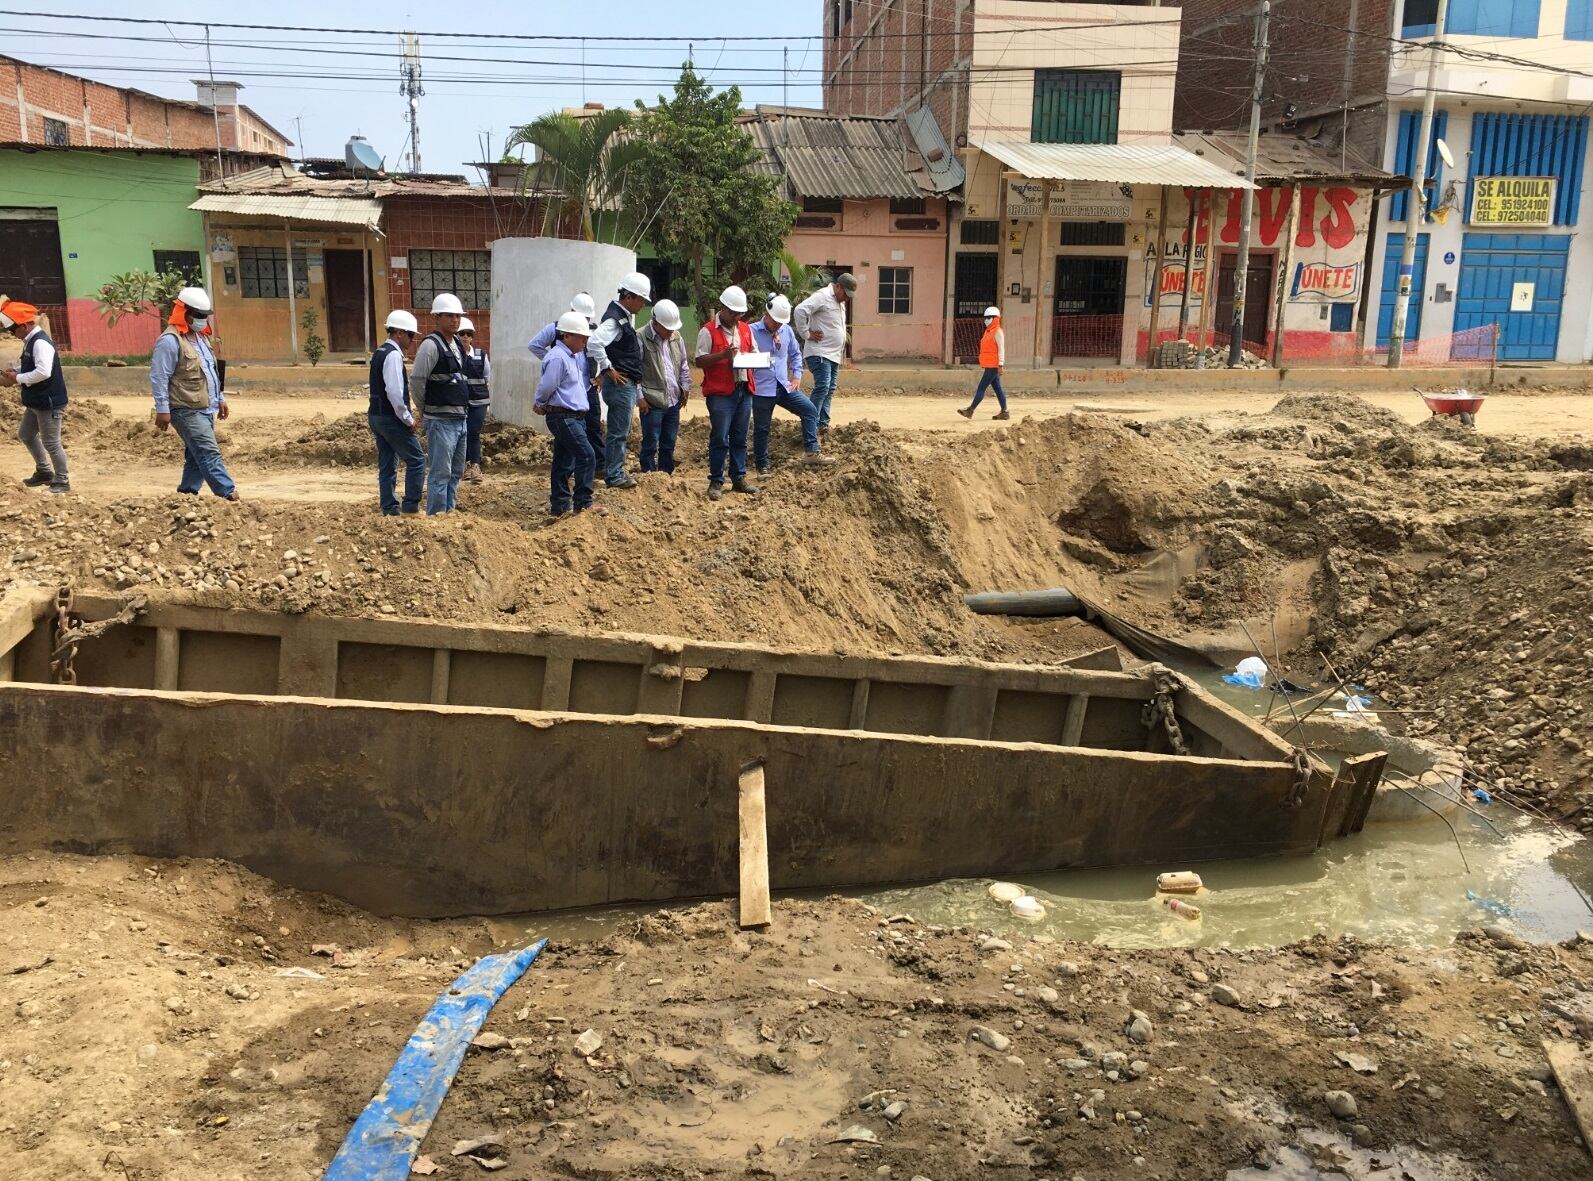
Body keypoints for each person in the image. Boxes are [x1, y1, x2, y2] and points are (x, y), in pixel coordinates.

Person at [150, 286, 236, 501]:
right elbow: (159, 377)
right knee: (208, 451)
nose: (202, 320)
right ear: (184, 312)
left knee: (196, 454)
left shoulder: (201, 339)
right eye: (197, 316)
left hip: (205, 406)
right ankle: (227, 493)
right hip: (185, 408)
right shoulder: (169, 341)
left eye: (204, 316)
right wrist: (162, 409)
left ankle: (186, 494)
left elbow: (210, 372)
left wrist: (220, 399)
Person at [748, 294, 831, 475]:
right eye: (775, 321)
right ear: (766, 314)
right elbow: (741, 358)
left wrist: (797, 376)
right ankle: (762, 466)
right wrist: (760, 361)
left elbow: (795, 354)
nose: (778, 325)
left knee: (809, 410)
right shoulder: (750, 331)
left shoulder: (786, 331)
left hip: (783, 385)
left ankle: (811, 451)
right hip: (761, 388)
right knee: (762, 428)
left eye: (781, 322)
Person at [587, 272, 651, 490]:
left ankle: (615, 471)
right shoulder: (615, 320)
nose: (643, 305)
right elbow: (594, 343)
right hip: (620, 385)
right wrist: (608, 369)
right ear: (629, 296)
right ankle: (614, 475)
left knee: (620, 431)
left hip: (624, 384)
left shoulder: (620, 317)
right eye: (642, 300)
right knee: (618, 432)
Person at [695, 284, 758, 501]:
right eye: (733, 312)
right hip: (720, 393)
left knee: (740, 437)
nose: (736, 317)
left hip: (743, 389)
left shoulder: (746, 330)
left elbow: (755, 353)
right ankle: (716, 480)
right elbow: (700, 360)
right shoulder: (708, 331)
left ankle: (738, 477)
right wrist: (723, 355)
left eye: (739, 313)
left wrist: (757, 360)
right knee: (720, 437)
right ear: (723, 308)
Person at [410, 293, 471, 515]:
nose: (455, 320)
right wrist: (424, 408)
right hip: (441, 420)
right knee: (440, 473)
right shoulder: (430, 345)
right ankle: (437, 516)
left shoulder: (456, 343)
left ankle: (449, 514)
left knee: (455, 472)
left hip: (460, 418)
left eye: (457, 316)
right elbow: (417, 381)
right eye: (449, 316)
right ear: (437, 317)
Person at [534, 311, 600, 517]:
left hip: (574, 416)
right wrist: (540, 402)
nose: (585, 341)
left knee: (564, 462)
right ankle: (583, 503)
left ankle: (560, 507)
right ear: (567, 336)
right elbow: (547, 386)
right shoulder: (557, 357)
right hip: (563, 416)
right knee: (587, 455)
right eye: (581, 337)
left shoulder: (574, 357)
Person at [0, 300, 69, 494]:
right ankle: (45, 472)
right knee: (26, 435)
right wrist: (16, 371)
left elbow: (44, 372)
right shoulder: (31, 341)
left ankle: (62, 480)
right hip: (37, 400)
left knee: (51, 443)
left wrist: (18, 378)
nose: (12, 334)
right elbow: (33, 366)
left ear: (23, 326)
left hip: (48, 402)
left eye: (13, 330)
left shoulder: (40, 342)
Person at [530, 293, 602, 462]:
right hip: (566, 394)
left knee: (593, 429)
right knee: (578, 447)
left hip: (586, 388)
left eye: (587, 318)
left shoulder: (593, 330)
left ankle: (597, 467)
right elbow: (534, 345)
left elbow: (603, 351)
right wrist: (555, 361)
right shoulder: (556, 331)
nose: (584, 322)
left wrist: (602, 375)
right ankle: (585, 469)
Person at [368, 309, 423, 516]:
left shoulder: (380, 352)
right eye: (410, 335)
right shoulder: (392, 356)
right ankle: (410, 507)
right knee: (417, 459)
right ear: (399, 333)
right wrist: (408, 419)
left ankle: (389, 508)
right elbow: (394, 392)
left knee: (388, 463)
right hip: (390, 418)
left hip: (376, 416)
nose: (411, 340)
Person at [793, 271, 856, 444]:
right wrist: (806, 334)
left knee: (829, 388)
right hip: (819, 352)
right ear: (838, 287)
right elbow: (800, 310)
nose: (847, 298)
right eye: (846, 294)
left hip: (833, 354)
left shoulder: (839, 301)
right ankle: (810, 425)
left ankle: (822, 424)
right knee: (823, 386)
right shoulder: (822, 296)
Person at [637, 298, 690, 475]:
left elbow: (683, 364)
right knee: (650, 442)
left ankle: (665, 475)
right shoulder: (641, 337)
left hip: (673, 400)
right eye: (667, 328)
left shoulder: (676, 337)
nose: (670, 332)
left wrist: (685, 387)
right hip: (651, 401)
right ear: (655, 322)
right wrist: (640, 397)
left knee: (669, 442)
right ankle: (649, 475)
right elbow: (635, 370)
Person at [458, 316, 492, 484]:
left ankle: (475, 466)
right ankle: (464, 466)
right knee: (462, 433)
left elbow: (487, 376)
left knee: (473, 432)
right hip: (460, 402)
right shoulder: (454, 356)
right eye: (462, 333)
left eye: (468, 334)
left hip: (479, 401)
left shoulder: (481, 355)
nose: (465, 337)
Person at [960, 305, 1009, 421]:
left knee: (981, 388)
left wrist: (1001, 365)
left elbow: (1001, 349)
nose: (985, 320)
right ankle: (1005, 412)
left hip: (993, 366)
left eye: (988, 317)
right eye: (985, 318)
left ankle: (970, 410)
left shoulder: (997, 332)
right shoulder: (988, 332)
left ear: (995, 318)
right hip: (989, 365)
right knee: (998, 389)